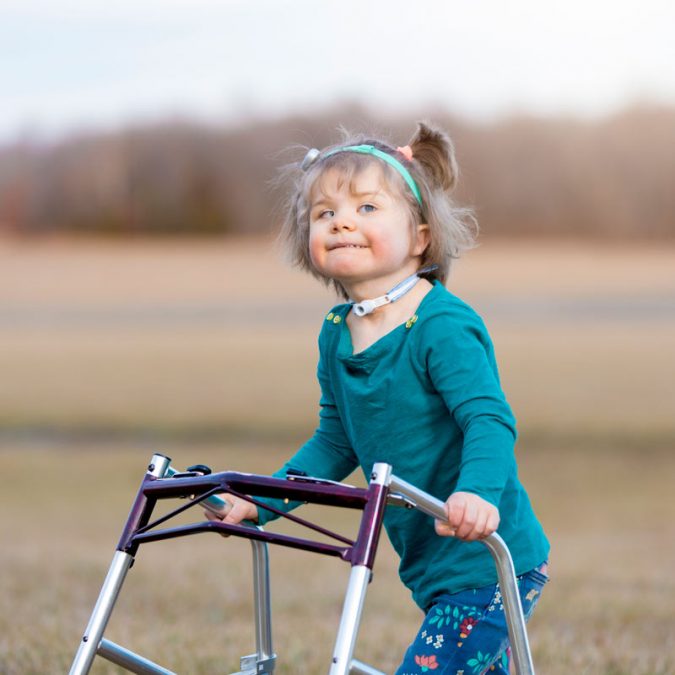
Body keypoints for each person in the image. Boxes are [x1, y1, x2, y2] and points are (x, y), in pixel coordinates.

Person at [207, 122, 550, 674]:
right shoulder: (337, 330)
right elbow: (335, 441)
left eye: (367, 208)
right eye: (325, 213)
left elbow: (488, 418)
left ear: (420, 237)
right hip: (432, 565)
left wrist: (478, 493)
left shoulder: (440, 324)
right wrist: (259, 502)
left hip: (488, 560)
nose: (342, 220)